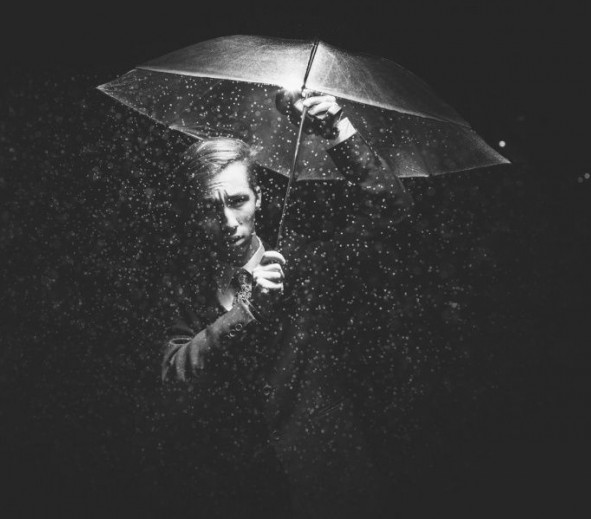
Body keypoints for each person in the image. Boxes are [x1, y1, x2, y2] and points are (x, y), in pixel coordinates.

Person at [156, 90, 412, 518]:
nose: (228, 222)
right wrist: (246, 313)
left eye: (238, 201)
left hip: (328, 480)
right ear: (192, 214)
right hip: (234, 491)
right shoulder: (182, 286)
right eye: (210, 208)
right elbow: (171, 377)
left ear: (258, 198)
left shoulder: (306, 264)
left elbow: (392, 215)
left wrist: (337, 131)